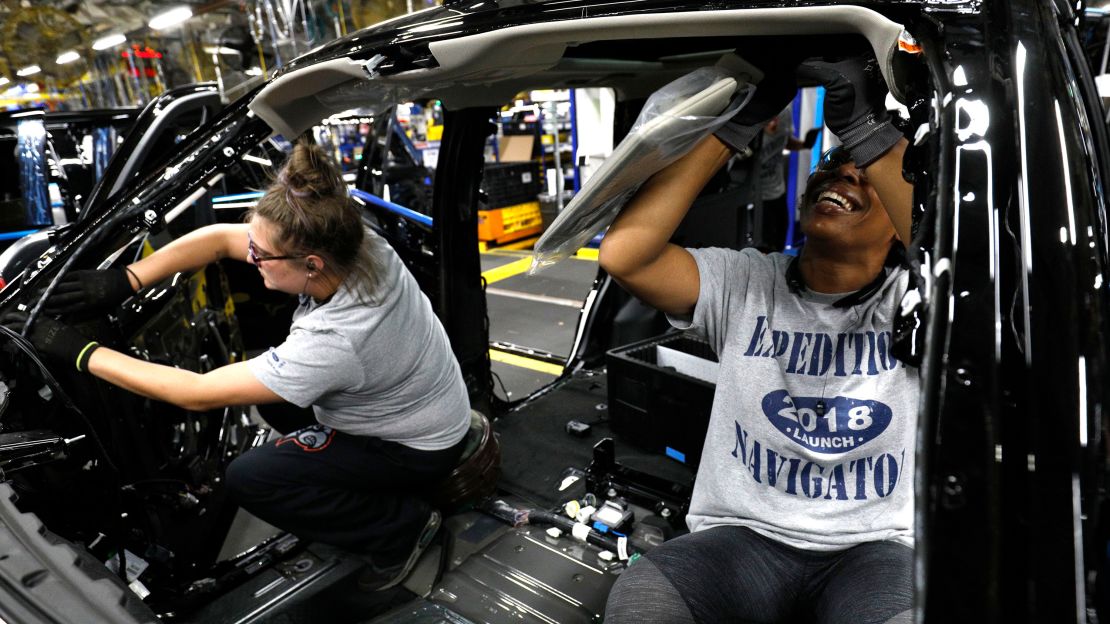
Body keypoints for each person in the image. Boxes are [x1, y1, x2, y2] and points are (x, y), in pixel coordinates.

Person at [13, 142, 472, 590]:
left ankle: (401, 529)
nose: (250, 259)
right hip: (430, 408)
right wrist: (128, 279)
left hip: (413, 446)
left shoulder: (339, 338)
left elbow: (194, 392)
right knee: (276, 406)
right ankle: (352, 489)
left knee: (251, 478)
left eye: (260, 255)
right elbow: (217, 239)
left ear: (311, 264)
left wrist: (79, 351)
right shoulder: (357, 243)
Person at [599, 55, 916, 623]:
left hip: (872, 551)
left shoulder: (918, 300)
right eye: (836, 166)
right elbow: (625, 256)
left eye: (866, 174)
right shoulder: (747, 280)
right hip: (744, 541)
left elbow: (973, 271)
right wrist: (733, 128)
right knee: (641, 602)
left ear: (898, 221)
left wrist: (870, 134)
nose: (844, 173)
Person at [756, 105, 819, 251]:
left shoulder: (784, 112)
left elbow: (784, 140)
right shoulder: (750, 124)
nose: (774, 123)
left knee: (779, 243)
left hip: (777, 191)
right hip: (755, 197)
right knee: (762, 249)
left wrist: (804, 145)